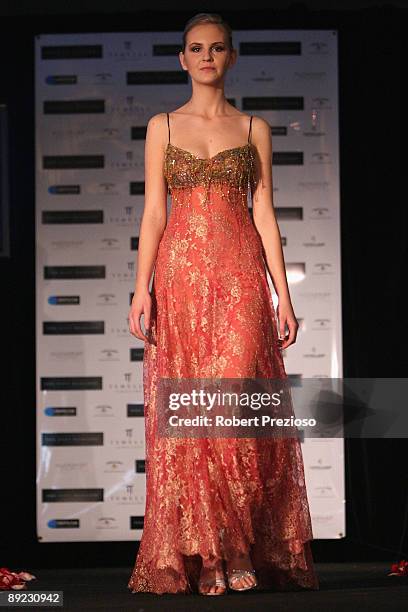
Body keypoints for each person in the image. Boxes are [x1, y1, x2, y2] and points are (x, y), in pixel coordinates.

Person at [127, 12, 319, 596]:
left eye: (216, 48)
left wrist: (282, 295)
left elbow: (265, 211)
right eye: (195, 48)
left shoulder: (254, 127)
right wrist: (142, 288)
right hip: (180, 281)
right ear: (182, 60)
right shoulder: (160, 126)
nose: (206, 56)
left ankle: (240, 545)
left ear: (231, 57)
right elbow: (154, 212)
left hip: (239, 277)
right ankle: (210, 552)